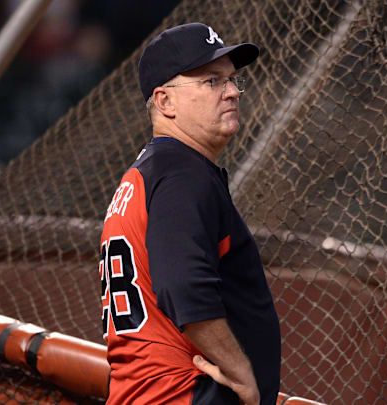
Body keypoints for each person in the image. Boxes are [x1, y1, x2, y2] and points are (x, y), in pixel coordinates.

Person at [99, 23, 280, 405]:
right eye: (212, 81)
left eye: (232, 80)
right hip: (181, 395)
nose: (232, 91)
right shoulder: (182, 174)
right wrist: (241, 373)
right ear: (165, 102)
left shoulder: (151, 172)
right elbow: (185, 288)